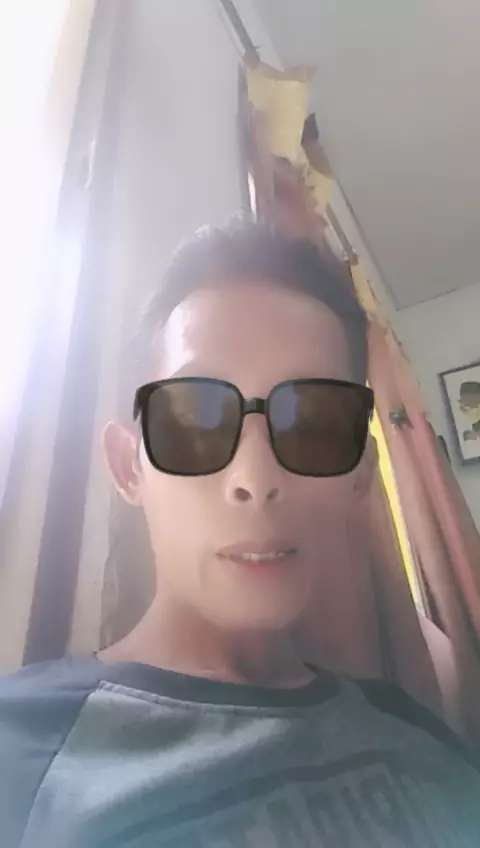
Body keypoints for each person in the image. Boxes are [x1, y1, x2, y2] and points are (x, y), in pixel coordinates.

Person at [0, 220, 479, 847]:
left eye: (312, 421)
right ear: (128, 467)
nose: (255, 479)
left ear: (360, 476)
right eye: (196, 418)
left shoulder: (418, 734)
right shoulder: (20, 746)